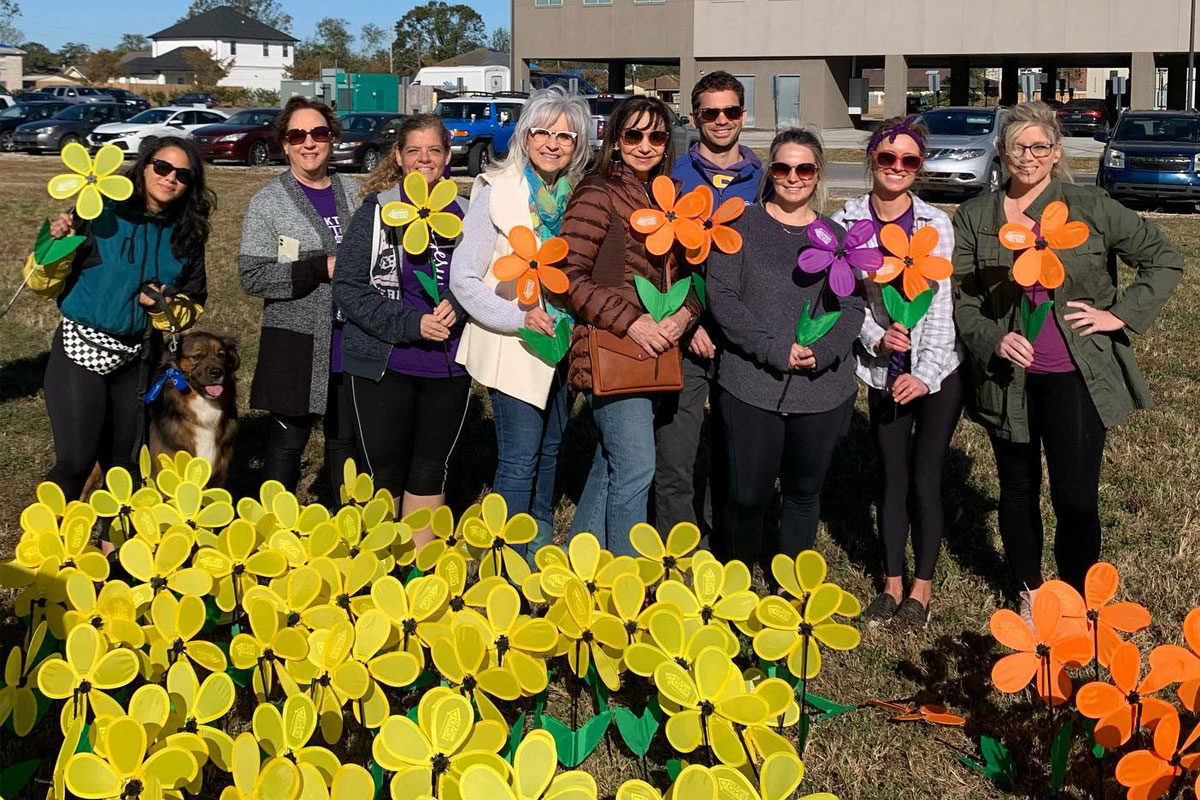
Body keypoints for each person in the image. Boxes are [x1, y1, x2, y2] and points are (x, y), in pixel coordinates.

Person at [951, 101, 1182, 615]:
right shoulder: (975, 216)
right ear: (1001, 152)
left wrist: (1119, 315)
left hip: (1075, 373)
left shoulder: (1091, 206)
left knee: (1075, 498)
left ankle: (1077, 600)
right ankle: (1031, 592)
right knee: (1017, 490)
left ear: (1056, 154)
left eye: (1039, 146)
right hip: (1007, 377)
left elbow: (1164, 258)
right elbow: (964, 301)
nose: (1027, 157)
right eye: (1017, 147)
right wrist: (991, 338)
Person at [706, 129, 865, 577]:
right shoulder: (741, 226)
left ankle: (793, 590)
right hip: (751, 383)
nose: (793, 177)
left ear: (818, 175)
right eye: (782, 168)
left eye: (805, 169)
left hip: (821, 389)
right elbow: (723, 297)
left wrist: (826, 350)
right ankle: (736, 586)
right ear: (770, 172)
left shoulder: (836, 236)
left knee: (802, 494)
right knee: (748, 495)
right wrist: (774, 348)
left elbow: (852, 305)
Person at [831, 116, 964, 628]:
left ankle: (921, 592)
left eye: (909, 160)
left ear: (919, 167)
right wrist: (877, 340)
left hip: (937, 371)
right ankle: (889, 585)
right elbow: (847, 298)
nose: (897, 168)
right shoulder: (848, 222)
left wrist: (925, 375)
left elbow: (942, 306)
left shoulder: (935, 224)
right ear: (872, 161)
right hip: (884, 369)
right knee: (891, 478)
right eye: (888, 158)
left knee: (925, 477)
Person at [450, 86, 592, 562]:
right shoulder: (495, 189)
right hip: (512, 342)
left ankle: (539, 538)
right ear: (524, 135)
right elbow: (464, 278)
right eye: (542, 132)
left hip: (564, 339)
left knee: (552, 447)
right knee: (519, 457)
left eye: (566, 137)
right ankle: (505, 561)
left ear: (579, 144)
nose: (552, 144)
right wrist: (516, 317)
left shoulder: (579, 196)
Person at [29, 136, 212, 504]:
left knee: (124, 465)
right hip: (82, 350)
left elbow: (193, 302)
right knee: (77, 460)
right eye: (162, 167)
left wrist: (162, 307)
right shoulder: (99, 212)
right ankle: (45, 547)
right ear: (143, 166)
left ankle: (112, 554)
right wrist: (54, 245)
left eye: (182, 175)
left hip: (137, 358)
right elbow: (41, 284)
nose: (170, 178)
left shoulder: (186, 234)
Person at [560, 96, 703, 556]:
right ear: (615, 141)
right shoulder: (598, 191)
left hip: (657, 351)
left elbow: (689, 276)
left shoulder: (668, 197)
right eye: (633, 135)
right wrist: (633, 321)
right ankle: (626, 579)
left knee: (612, 464)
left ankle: (576, 568)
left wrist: (685, 315)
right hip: (613, 349)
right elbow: (567, 277)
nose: (645, 145)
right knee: (637, 467)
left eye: (656, 136)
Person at [333, 114, 470, 544]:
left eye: (433, 150)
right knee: (383, 472)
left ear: (448, 157)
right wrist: (412, 323)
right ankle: (377, 574)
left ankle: (417, 575)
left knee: (431, 469)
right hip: (385, 362)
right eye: (414, 150)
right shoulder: (376, 213)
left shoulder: (466, 214)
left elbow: (481, 281)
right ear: (398, 157)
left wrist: (458, 307)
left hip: (448, 367)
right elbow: (348, 288)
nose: (424, 159)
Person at [654, 70, 763, 535]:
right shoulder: (668, 176)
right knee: (675, 456)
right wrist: (689, 320)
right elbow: (655, 260)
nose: (722, 121)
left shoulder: (767, 180)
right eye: (711, 112)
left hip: (743, 336)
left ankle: (724, 550)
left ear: (743, 115)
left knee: (732, 455)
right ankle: (674, 556)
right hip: (684, 331)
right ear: (695, 116)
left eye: (731, 111)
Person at [239, 97, 360, 499]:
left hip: (352, 339)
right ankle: (271, 534)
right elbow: (252, 276)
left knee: (345, 445)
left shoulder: (355, 191)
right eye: (298, 135)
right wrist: (317, 268)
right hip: (295, 341)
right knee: (287, 445)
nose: (309, 143)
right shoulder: (267, 202)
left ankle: (349, 530)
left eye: (319, 133)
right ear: (285, 143)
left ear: (332, 139)